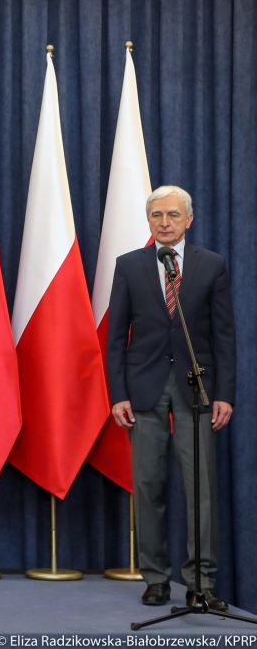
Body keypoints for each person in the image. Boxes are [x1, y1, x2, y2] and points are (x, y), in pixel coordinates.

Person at [107, 185, 235, 611]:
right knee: (147, 485)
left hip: (196, 388)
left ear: (188, 220)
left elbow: (224, 337)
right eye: (157, 215)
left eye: (172, 215)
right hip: (143, 391)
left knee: (200, 487)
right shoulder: (129, 266)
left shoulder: (211, 265)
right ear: (149, 221)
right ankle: (156, 578)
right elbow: (114, 339)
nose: (164, 222)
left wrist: (224, 395)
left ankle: (201, 582)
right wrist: (118, 393)